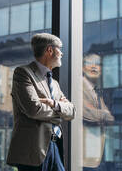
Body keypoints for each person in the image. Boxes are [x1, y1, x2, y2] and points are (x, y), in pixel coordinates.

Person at [6, 33, 76, 171]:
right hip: (33, 150)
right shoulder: (23, 73)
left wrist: (55, 104)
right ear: (50, 50)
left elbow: (72, 111)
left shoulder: (54, 83)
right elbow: (34, 109)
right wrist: (60, 111)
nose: (61, 53)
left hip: (56, 146)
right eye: (59, 49)